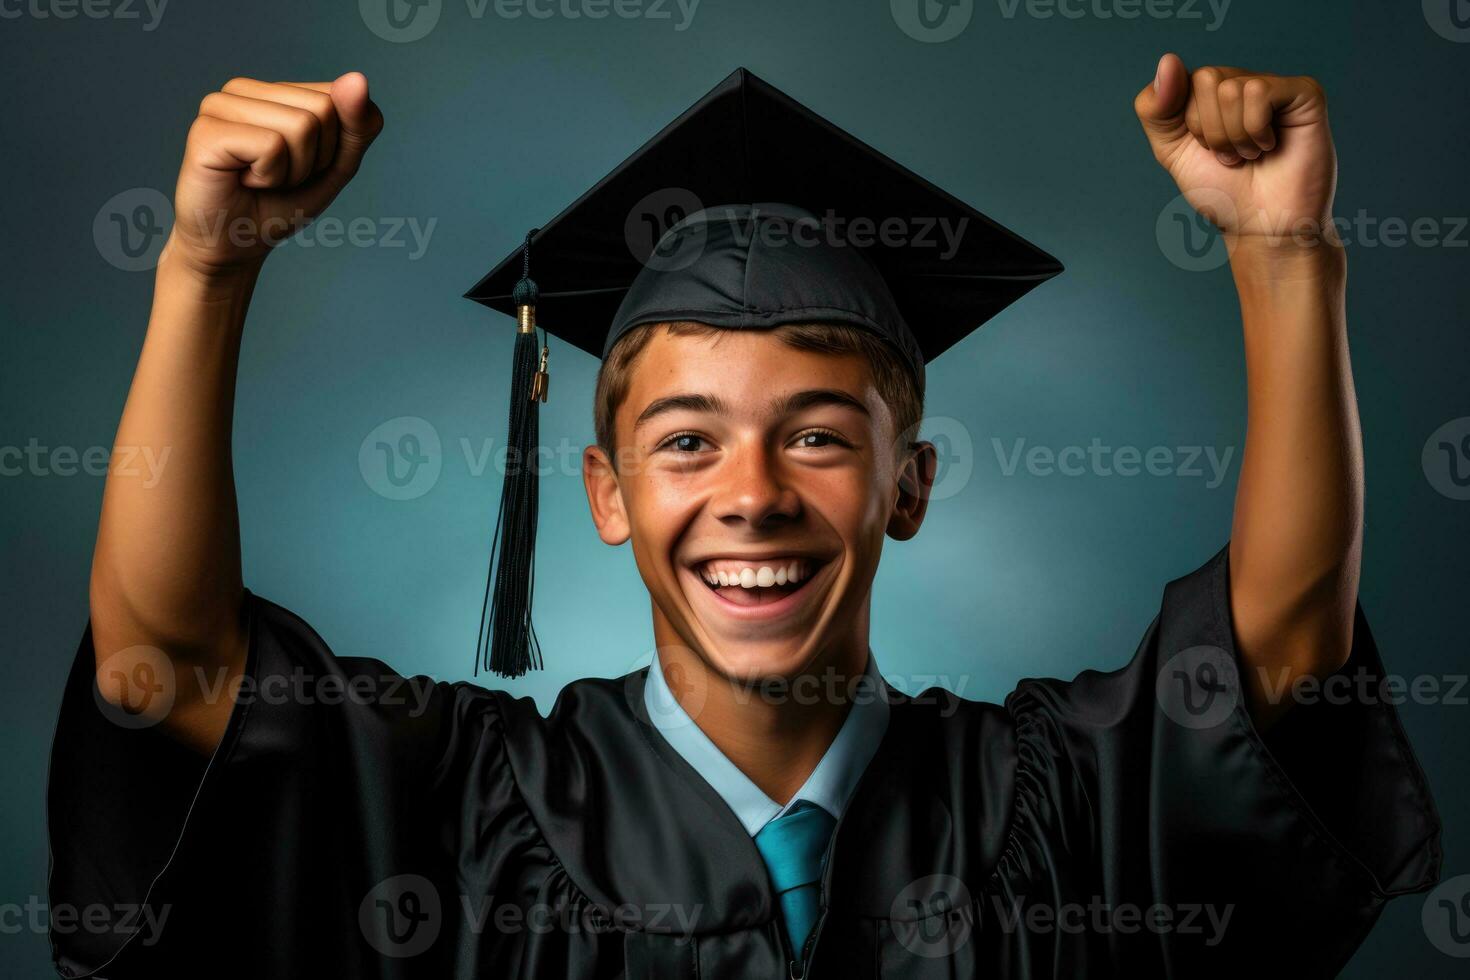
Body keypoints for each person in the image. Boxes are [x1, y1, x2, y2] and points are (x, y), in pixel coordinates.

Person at [49, 59, 1440, 979]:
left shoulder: (1049, 801)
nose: (752, 494)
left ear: (909, 484)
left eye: (820, 437)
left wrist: (1279, 254)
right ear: (604, 495)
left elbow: (1284, 643)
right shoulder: (467, 802)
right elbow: (158, 667)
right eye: (685, 440)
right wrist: (204, 268)